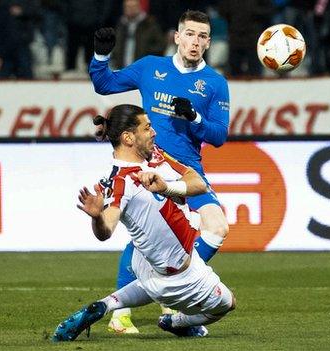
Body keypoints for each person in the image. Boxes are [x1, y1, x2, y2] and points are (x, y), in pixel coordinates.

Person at [89, 9, 231, 333]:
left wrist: (195, 120)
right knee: (144, 240)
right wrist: (100, 54)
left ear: (209, 42)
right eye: (190, 34)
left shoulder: (215, 83)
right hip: (149, 165)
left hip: (186, 170)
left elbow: (219, 136)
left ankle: (169, 288)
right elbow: (104, 83)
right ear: (177, 37)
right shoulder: (151, 67)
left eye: (202, 36)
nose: (195, 42)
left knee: (217, 226)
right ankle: (121, 315)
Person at [52, 104, 236, 341]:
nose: (154, 132)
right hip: (177, 273)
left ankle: (105, 305)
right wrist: (98, 216)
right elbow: (106, 230)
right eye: (147, 128)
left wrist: (167, 186)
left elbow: (198, 182)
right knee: (227, 304)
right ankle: (177, 322)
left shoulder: (155, 155)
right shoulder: (120, 181)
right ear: (128, 137)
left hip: (146, 261)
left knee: (151, 282)